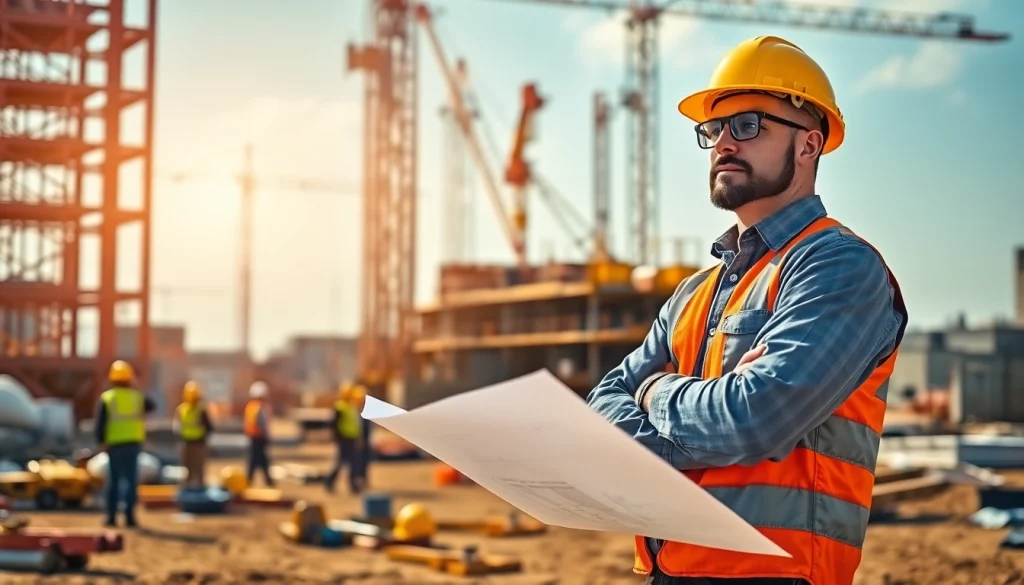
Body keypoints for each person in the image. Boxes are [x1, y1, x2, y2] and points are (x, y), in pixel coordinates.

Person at [586, 36, 908, 585]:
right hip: (670, 573)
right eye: (714, 129)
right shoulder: (692, 293)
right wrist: (708, 419)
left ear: (809, 145)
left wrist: (653, 392)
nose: (723, 144)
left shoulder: (839, 269)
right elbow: (597, 416)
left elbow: (755, 419)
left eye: (748, 125)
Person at [94, 359, 155, 528]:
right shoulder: (137, 396)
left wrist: (101, 442)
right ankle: (130, 518)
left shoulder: (107, 398)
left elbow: (100, 423)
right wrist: (136, 386)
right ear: (130, 378)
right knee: (130, 480)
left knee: (113, 481)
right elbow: (151, 405)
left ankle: (111, 518)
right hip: (133, 444)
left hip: (114, 445)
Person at [172, 380, 213, 489]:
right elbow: (209, 427)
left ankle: (190, 490)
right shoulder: (197, 409)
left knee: (191, 470)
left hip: (190, 443)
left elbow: (176, 428)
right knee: (194, 470)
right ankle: (195, 490)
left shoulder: (183, 409)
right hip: (195, 443)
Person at [324, 382, 364, 494]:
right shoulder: (340, 407)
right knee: (340, 463)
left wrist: (358, 438)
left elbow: (356, 425)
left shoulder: (352, 406)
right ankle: (329, 481)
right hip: (343, 440)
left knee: (353, 464)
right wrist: (337, 438)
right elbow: (334, 425)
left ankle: (354, 486)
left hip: (352, 439)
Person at [243, 381, 274, 487]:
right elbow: (262, 424)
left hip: (253, 437)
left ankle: (263, 481)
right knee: (258, 460)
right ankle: (263, 481)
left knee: (258, 460)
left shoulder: (250, 406)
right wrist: (266, 436)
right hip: (259, 438)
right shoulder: (260, 407)